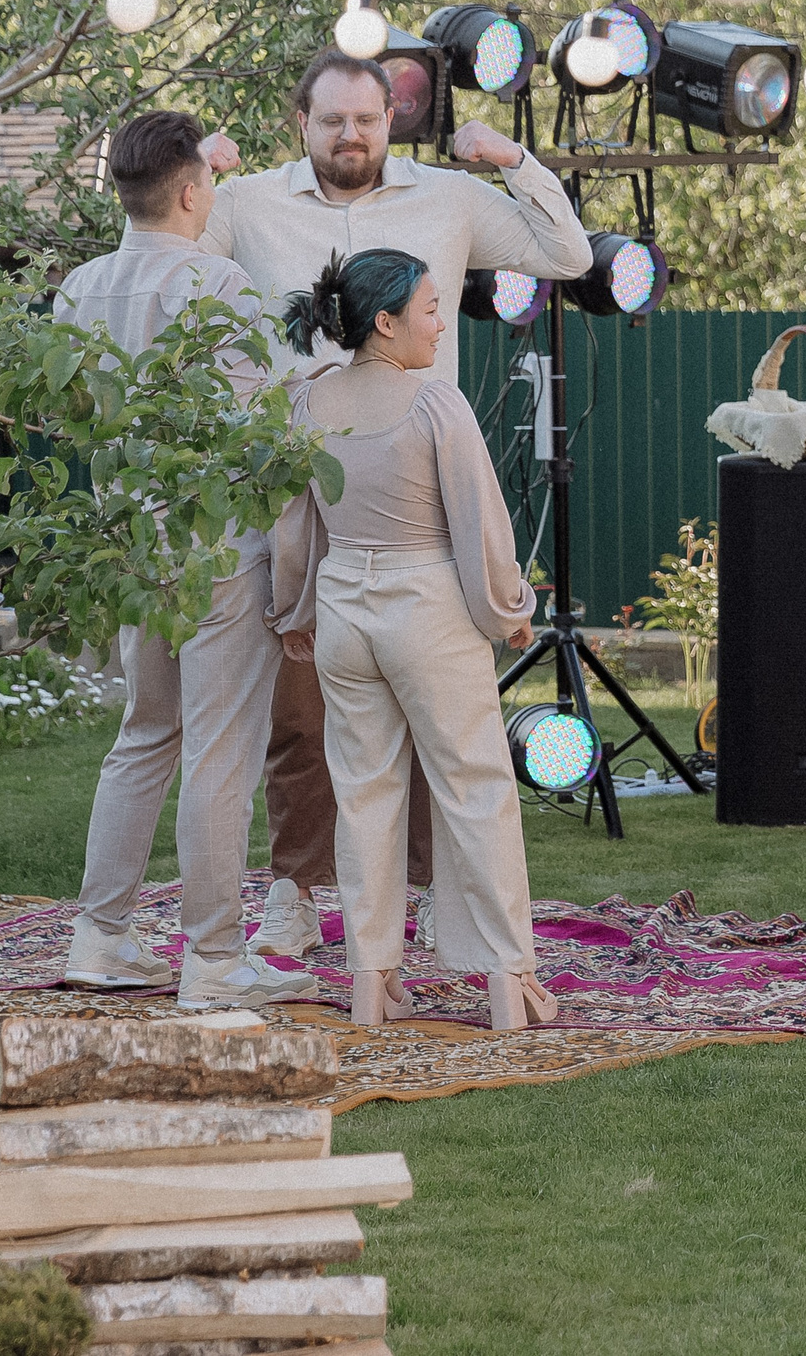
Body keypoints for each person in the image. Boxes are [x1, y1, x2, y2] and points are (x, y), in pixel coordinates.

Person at [198, 51, 589, 963]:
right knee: (303, 710)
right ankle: (294, 893)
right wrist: (196, 172)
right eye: (333, 119)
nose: (352, 135)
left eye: (368, 119)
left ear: (391, 120)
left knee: (434, 710)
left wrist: (512, 159)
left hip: (415, 483)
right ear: (301, 121)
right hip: (296, 478)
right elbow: (158, 254)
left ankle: (425, 895)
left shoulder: (447, 198)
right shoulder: (247, 202)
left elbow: (568, 254)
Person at [55, 111, 318, 1011]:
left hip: (131, 545)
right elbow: (266, 435)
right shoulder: (221, 283)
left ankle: (101, 936)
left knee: (143, 734)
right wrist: (293, 574)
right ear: (194, 193)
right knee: (219, 754)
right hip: (218, 548)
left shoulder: (79, 289)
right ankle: (213, 958)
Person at [267, 248, 553, 1031]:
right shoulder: (435, 405)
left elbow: (293, 525)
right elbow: (479, 522)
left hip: (343, 609)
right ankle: (509, 977)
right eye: (430, 308)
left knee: (364, 796)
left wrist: (295, 612)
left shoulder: (307, 402)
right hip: (425, 606)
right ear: (386, 323)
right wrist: (509, 607)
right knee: (477, 789)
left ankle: (372, 982)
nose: (440, 322)